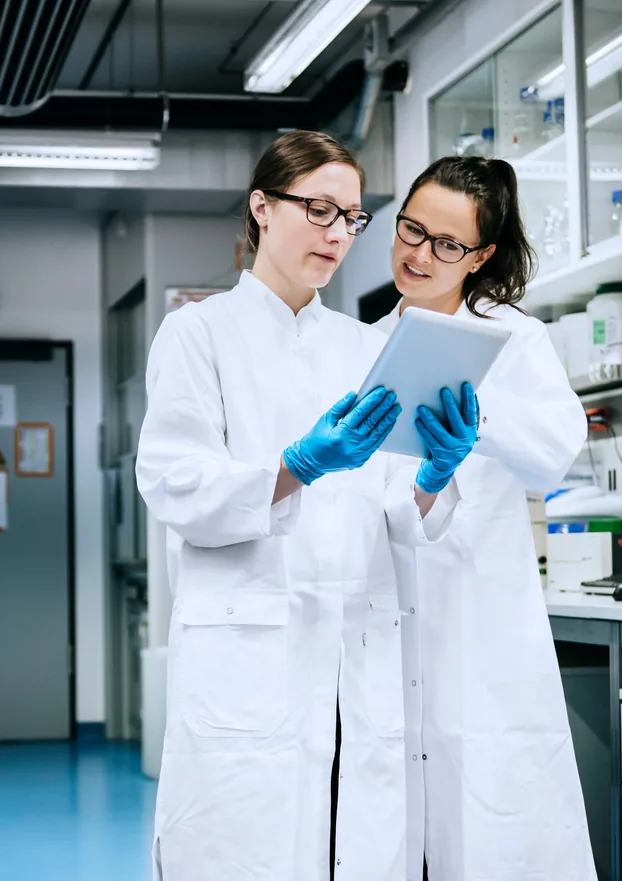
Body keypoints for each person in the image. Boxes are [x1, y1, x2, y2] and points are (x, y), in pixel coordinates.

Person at [136, 130, 479, 881]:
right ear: (262, 206)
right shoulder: (198, 335)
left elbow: (399, 508)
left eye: (353, 218)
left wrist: (435, 473)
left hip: (356, 655)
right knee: (244, 850)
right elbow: (174, 483)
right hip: (252, 649)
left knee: (356, 847)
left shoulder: (366, 349)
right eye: (319, 209)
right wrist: (295, 467)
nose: (337, 234)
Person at [374, 156, 594, 881]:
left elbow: (554, 454)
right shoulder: (361, 343)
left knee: (495, 831)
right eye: (411, 229)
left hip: (481, 626)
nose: (420, 254)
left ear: (482, 255)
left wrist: (478, 405)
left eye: (447, 244)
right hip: (383, 624)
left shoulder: (513, 339)